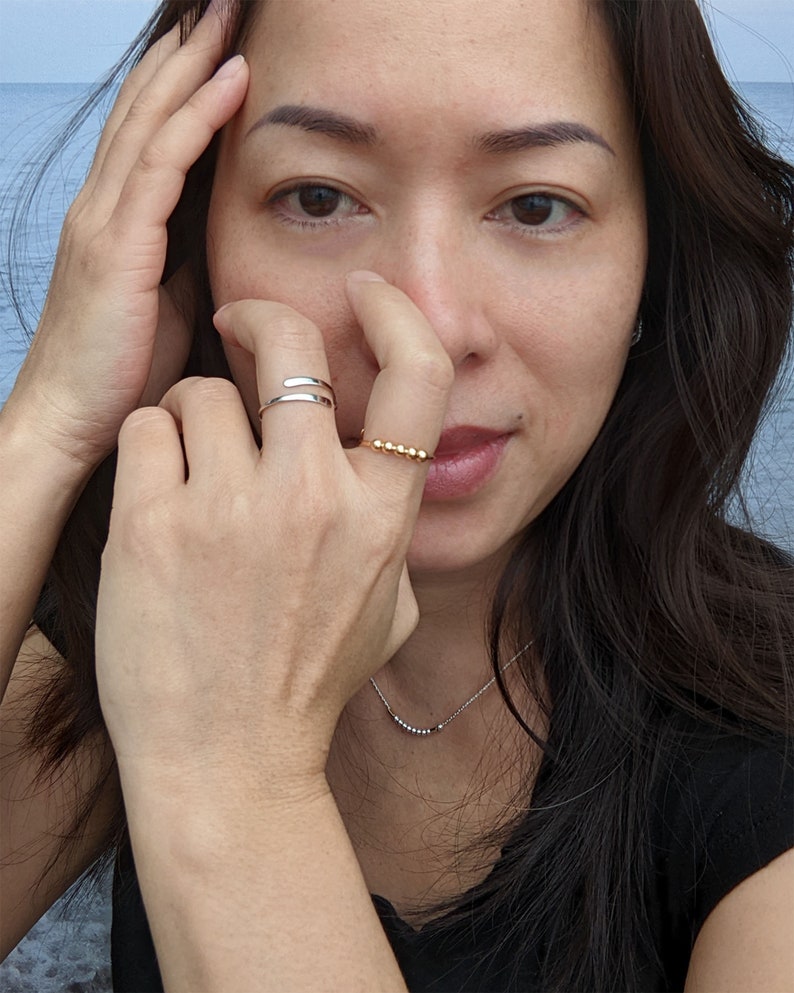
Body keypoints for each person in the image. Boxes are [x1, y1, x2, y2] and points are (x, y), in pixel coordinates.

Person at [1, 0, 792, 990]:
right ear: (187, 254)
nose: (422, 328)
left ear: (654, 266)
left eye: (534, 206)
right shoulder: (153, 598)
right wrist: (50, 421)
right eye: (319, 198)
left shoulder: (763, 734)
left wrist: (234, 783)